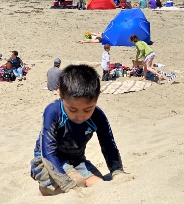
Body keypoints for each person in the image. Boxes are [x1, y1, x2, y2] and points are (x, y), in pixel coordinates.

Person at [30, 64, 126, 196]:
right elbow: (48, 153)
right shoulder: (53, 112)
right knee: (77, 183)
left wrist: (117, 171)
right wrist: (67, 185)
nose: (80, 116)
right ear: (61, 95)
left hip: (77, 160)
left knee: (98, 183)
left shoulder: (98, 116)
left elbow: (109, 145)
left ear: (97, 98)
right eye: (73, 109)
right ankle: (45, 189)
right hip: (48, 160)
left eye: (87, 110)